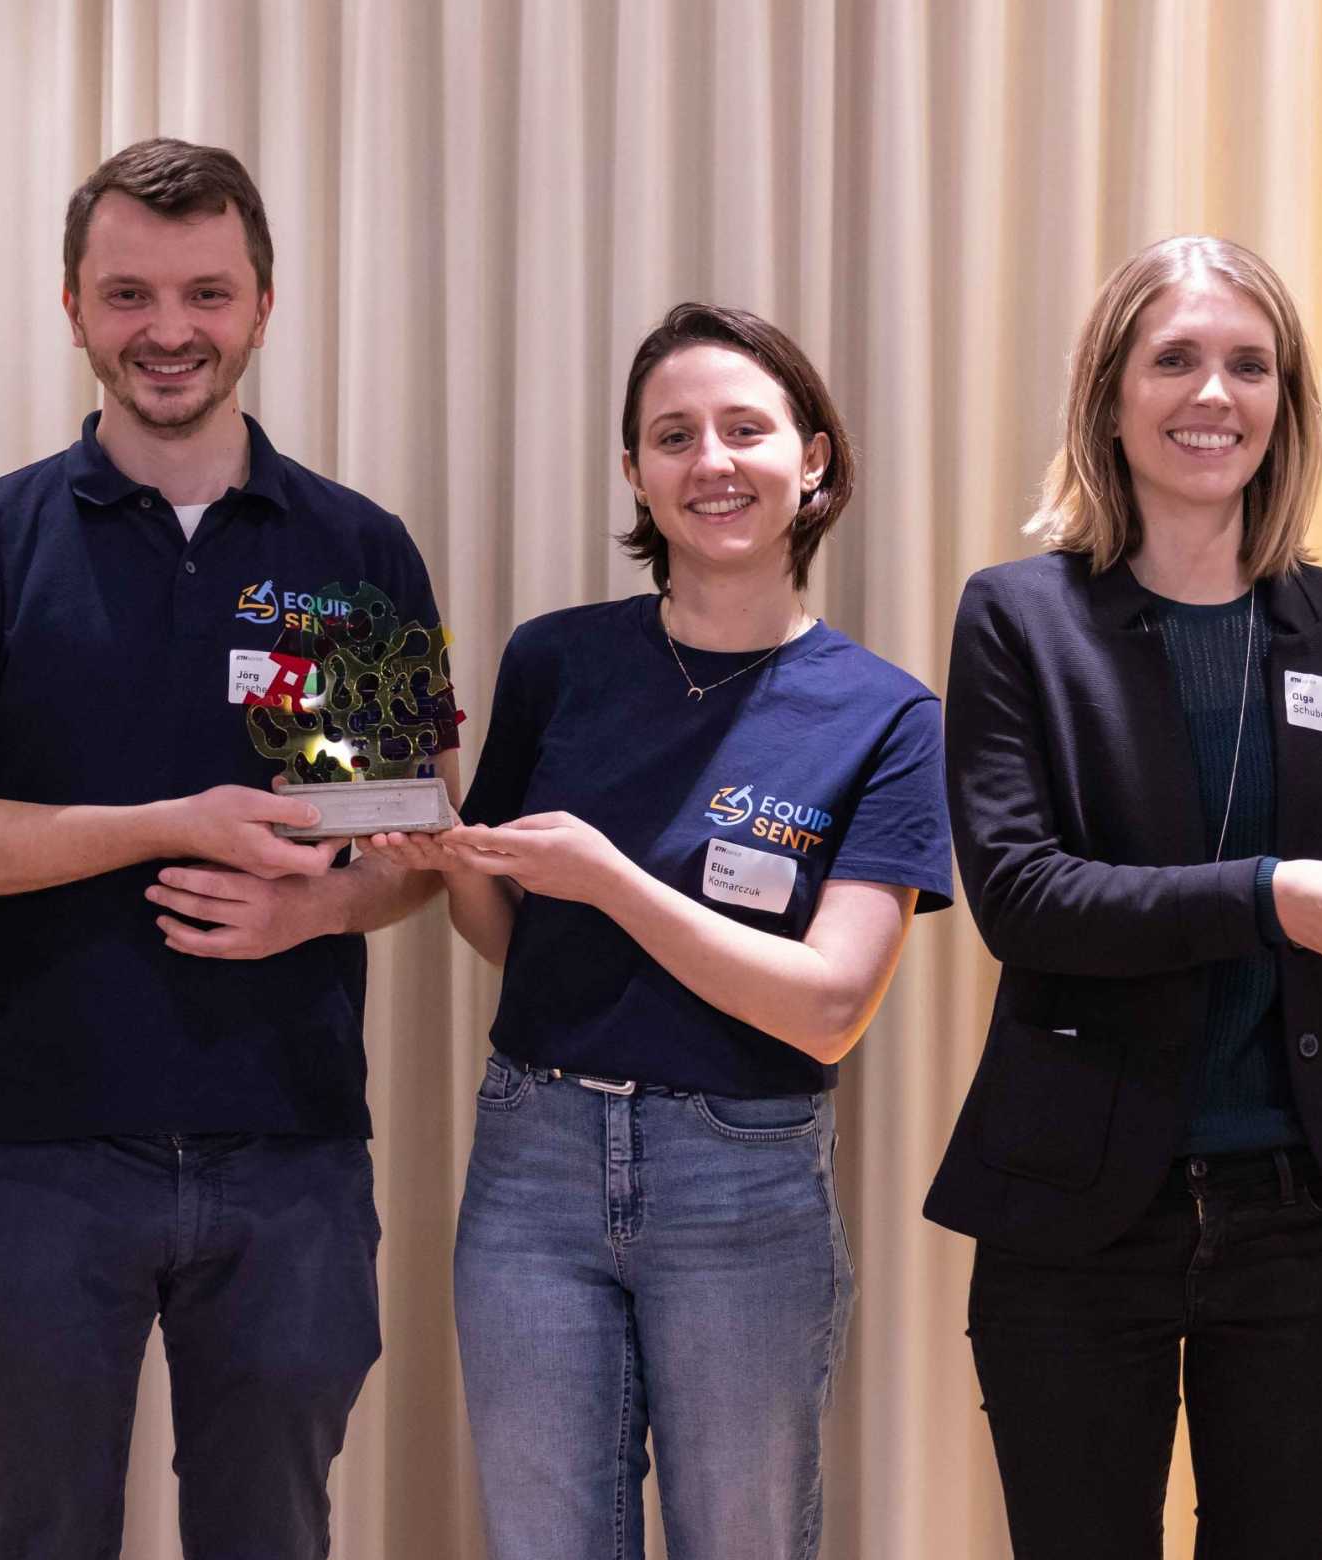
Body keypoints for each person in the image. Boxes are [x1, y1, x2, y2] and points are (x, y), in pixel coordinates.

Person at [0, 139, 451, 1560]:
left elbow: (419, 835)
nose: (169, 330)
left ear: (263, 304)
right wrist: (163, 830)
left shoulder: (358, 549)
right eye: (128, 294)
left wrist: (314, 918)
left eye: (206, 292)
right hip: (37, 1152)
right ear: (72, 307)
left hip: (292, 1151)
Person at [363, 302, 954, 1558]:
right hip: (531, 1158)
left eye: (745, 429)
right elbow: (520, 938)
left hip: (740, 1174)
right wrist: (445, 841)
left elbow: (829, 1002)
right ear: (634, 474)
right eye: (672, 436)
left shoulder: (888, 715)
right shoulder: (555, 662)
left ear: (814, 462)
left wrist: (615, 881)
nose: (711, 462)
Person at [920, 235, 1322, 1560]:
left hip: (1308, 1207)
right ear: (1111, 391)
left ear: (1286, 401)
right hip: (1081, 1205)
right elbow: (1028, 901)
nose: (1214, 394)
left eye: (1249, 365)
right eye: (1176, 360)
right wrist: (1270, 897)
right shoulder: (1019, 618)